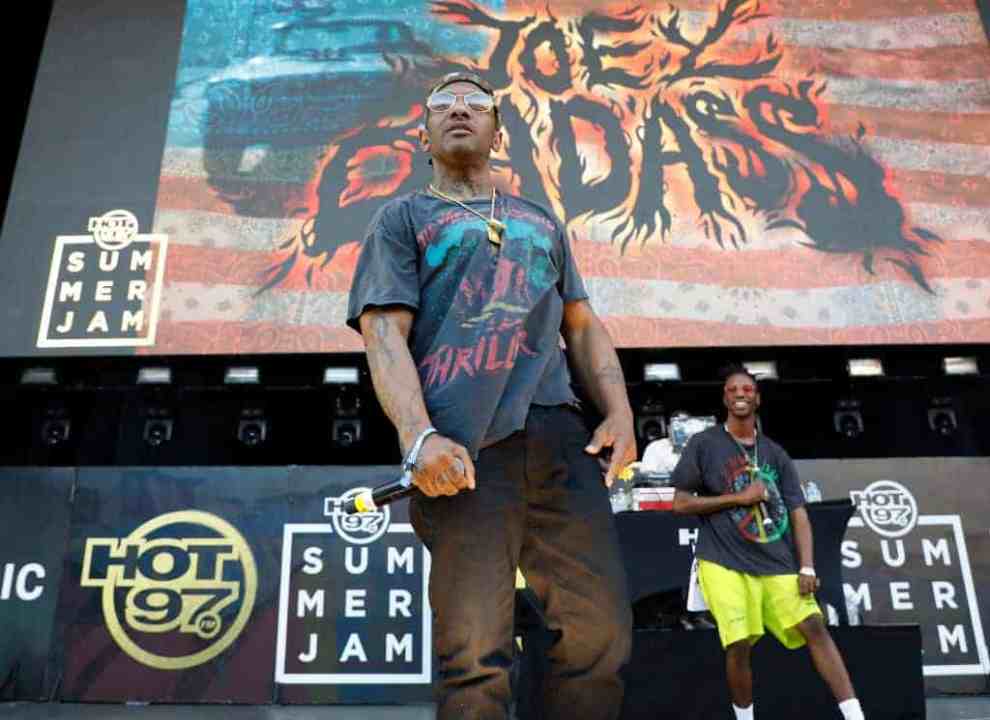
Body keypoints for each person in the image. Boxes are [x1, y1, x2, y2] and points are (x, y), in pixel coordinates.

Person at [346, 71, 634, 720]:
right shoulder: (401, 219)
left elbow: (582, 324)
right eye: (441, 104)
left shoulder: (541, 221)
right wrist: (419, 437)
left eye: (475, 103)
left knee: (601, 635)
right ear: (422, 134)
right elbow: (383, 331)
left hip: (560, 438)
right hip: (465, 452)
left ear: (498, 133)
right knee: (474, 655)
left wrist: (619, 411)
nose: (458, 109)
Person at [671, 365, 865, 720]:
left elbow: (799, 512)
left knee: (815, 627)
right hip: (722, 559)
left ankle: (855, 716)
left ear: (757, 398)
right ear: (725, 398)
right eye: (733, 390)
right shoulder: (705, 444)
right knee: (739, 643)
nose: (740, 394)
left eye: (747, 389)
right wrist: (737, 499)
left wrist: (806, 566)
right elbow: (680, 502)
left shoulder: (774, 453)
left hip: (775, 561)